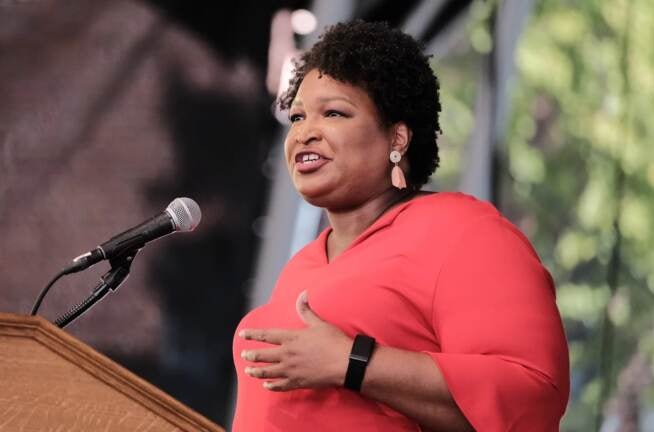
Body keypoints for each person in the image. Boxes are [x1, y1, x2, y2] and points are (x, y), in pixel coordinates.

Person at [232, 20, 569, 431]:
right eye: (298, 116)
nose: (305, 133)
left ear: (397, 139)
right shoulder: (303, 265)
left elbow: (531, 396)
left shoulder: (463, 232)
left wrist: (351, 362)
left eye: (334, 112)